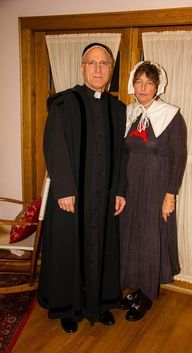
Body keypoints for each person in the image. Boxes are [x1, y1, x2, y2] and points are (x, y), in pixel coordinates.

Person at [38, 43, 126, 333]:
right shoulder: (64, 103)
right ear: (82, 67)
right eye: (92, 63)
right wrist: (64, 188)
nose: (98, 69)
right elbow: (54, 146)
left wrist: (120, 190)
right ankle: (69, 308)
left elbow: (121, 154)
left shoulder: (117, 109)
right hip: (72, 194)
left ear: (110, 69)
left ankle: (99, 305)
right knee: (69, 250)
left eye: (104, 63)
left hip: (103, 195)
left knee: (102, 247)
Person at [119, 61, 187, 321]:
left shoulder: (171, 116)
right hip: (130, 185)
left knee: (149, 239)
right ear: (132, 85)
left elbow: (179, 158)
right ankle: (134, 289)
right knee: (130, 237)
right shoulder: (129, 113)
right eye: (139, 82)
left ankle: (146, 295)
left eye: (148, 82)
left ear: (158, 87)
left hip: (156, 187)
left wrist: (170, 195)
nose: (143, 87)